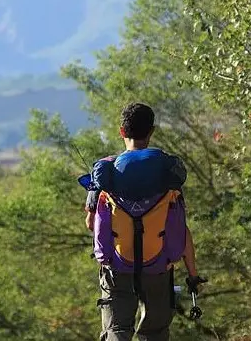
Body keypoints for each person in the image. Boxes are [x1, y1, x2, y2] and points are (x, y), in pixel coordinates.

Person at [83, 102, 206, 341]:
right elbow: (181, 230)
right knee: (155, 331)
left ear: (121, 131)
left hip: (117, 265)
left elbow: (91, 223)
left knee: (117, 328)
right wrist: (192, 275)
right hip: (158, 263)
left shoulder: (105, 173)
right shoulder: (166, 173)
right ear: (151, 131)